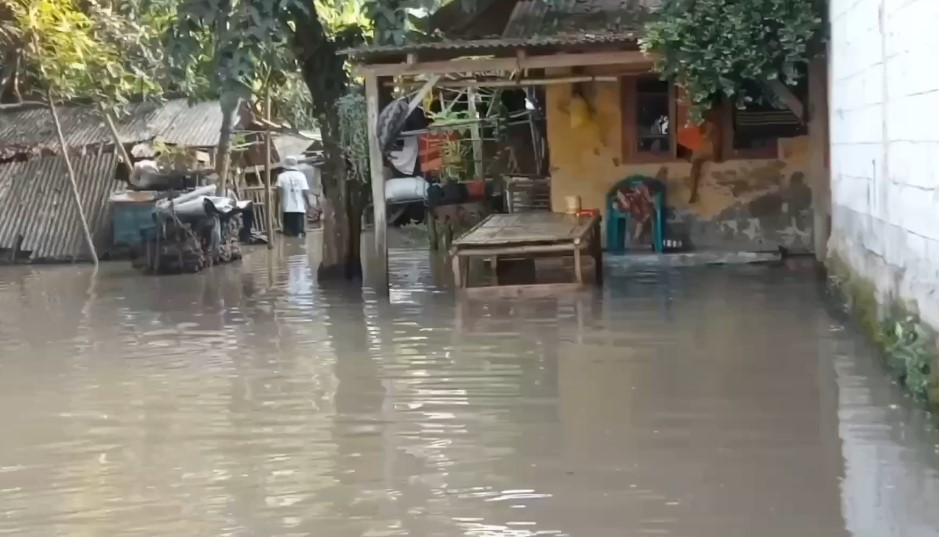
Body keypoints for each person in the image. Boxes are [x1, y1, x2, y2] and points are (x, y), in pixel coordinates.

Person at [276, 156, 311, 237]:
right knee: (300, 235)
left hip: (286, 210)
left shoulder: (281, 176)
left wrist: (277, 212)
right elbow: (305, 192)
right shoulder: (301, 176)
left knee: (288, 235)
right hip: (299, 209)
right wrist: (309, 205)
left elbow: (278, 195)